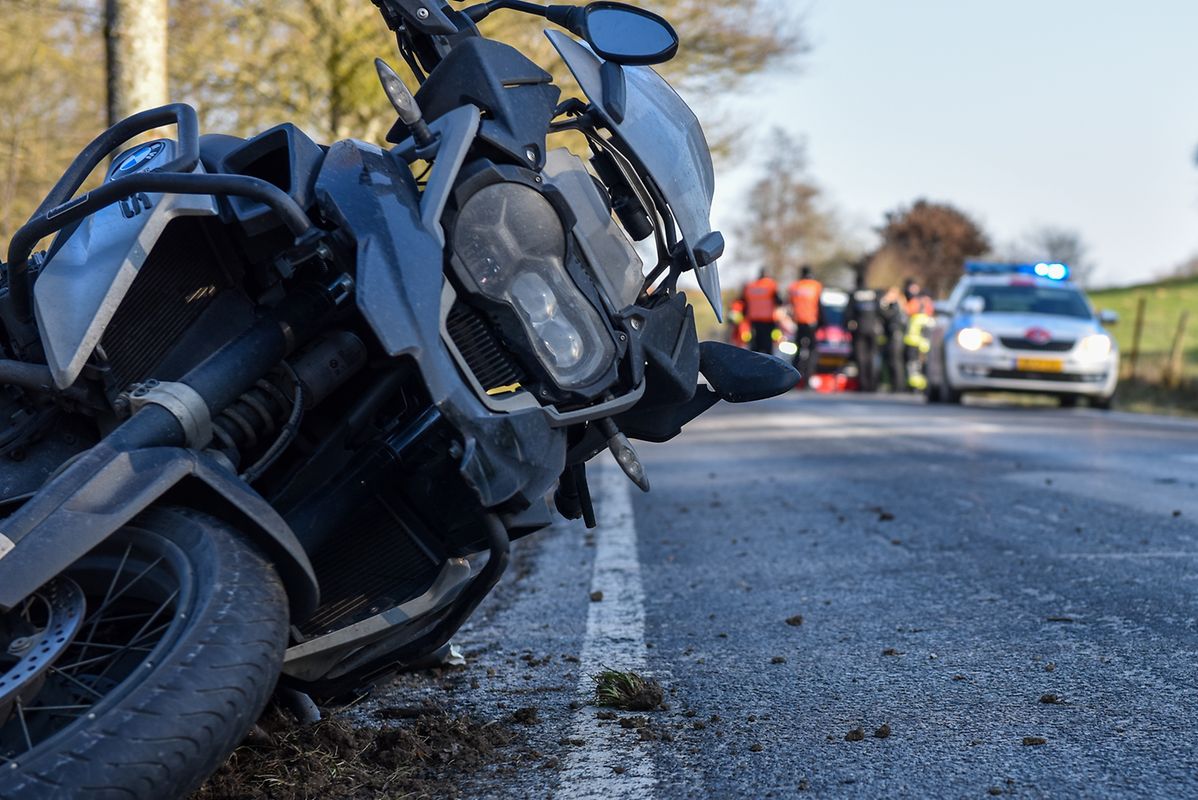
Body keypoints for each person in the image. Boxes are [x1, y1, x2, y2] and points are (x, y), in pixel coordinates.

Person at [845, 271, 881, 392]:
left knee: (861, 358)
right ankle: (873, 385)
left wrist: (848, 326)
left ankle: (863, 384)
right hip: (873, 329)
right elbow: (880, 311)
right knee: (872, 356)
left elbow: (848, 313)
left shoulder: (854, 294)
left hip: (859, 329)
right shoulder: (873, 293)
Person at [787, 266, 822, 380]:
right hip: (811, 322)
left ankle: (794, 375)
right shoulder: (816, 286)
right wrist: (822, 323)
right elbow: (820, 305)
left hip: (799, 322)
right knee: (812, 350)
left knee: (797, 349)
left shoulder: (795, 286)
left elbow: (790, 304)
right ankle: (809, 375)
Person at [902, 278, 935, 391]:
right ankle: (919, 384)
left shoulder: (914, 303)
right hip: (921, 343)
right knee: (918, 364)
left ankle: (918, 384)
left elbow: (905, 314)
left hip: (915, 342)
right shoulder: (926, 307)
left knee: (916, 364)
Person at [742, 270, 782, 354]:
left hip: (754, 319)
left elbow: (744, 303)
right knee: (767, 344)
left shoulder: (750, 286)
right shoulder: (770, 285)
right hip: (768, 320)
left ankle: (755, 359)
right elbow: (779, 301)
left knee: (755, 343)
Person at [878, 287, 907, 391]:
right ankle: (896, 385)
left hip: (896, 336)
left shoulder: (896, 305)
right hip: (894, 336)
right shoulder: (896, 305)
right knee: (893, 362)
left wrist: (883, 303)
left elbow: (887, 315)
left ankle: (899, 386)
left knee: (896, 362)